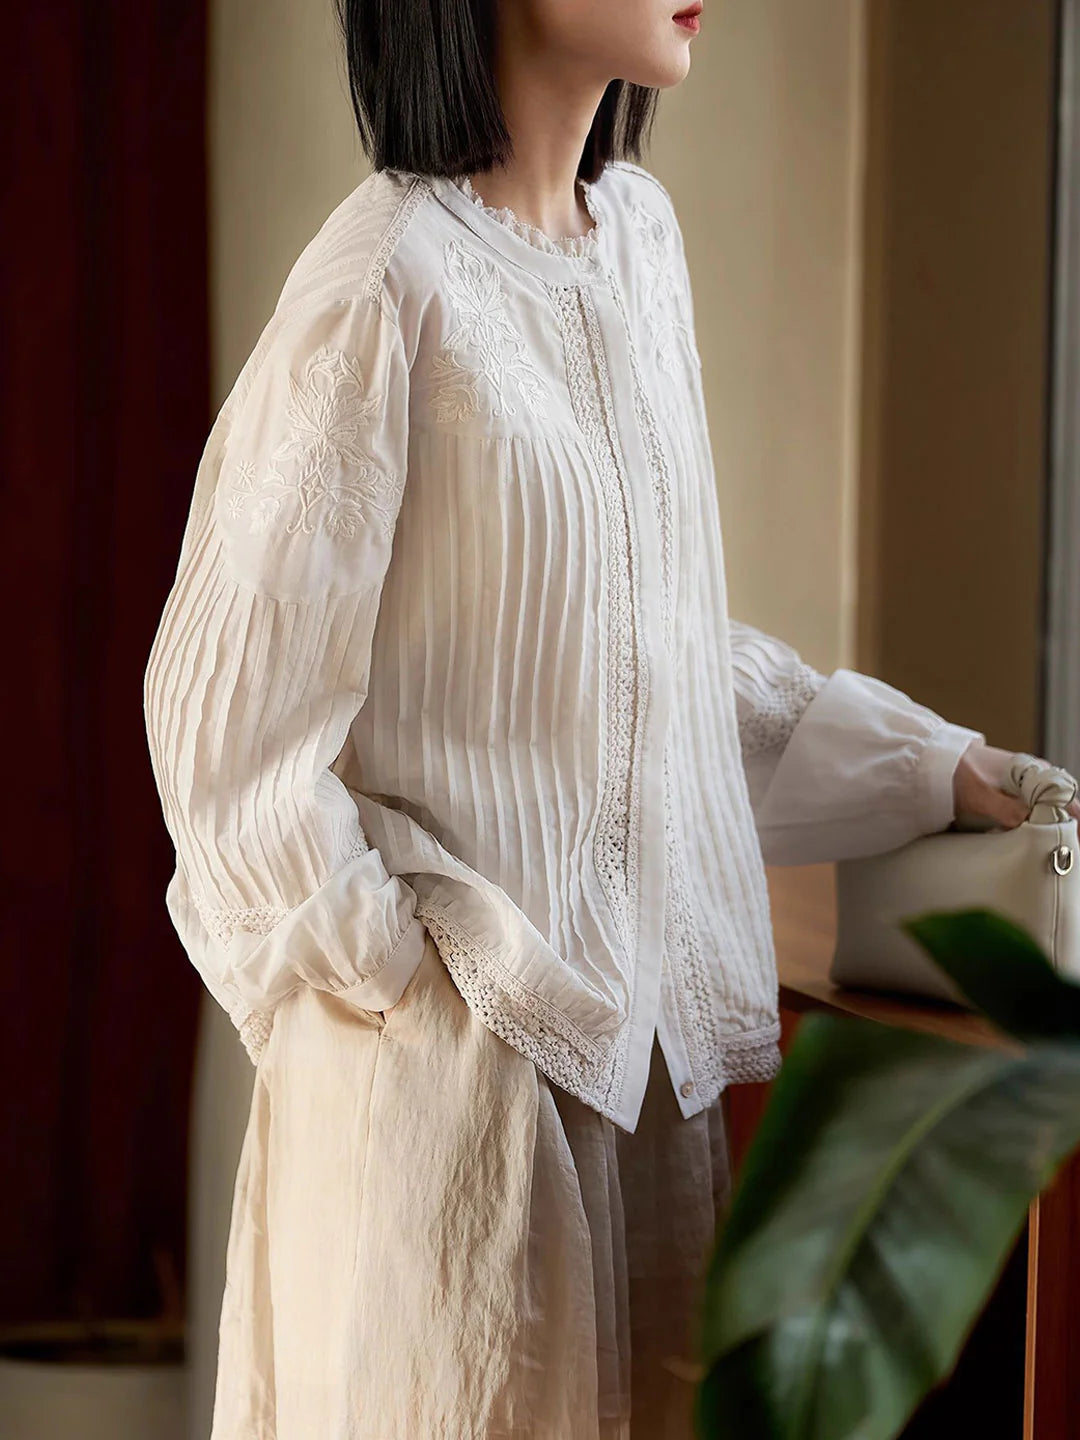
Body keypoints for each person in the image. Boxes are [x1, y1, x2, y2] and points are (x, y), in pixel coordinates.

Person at [142, 1, 1075, 1435]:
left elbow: (653, 670)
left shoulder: (641, 244)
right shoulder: (384, 281)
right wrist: (419, 994)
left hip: (643, 1123)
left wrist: (939, 768)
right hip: (453, 1144)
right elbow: (226, 733)